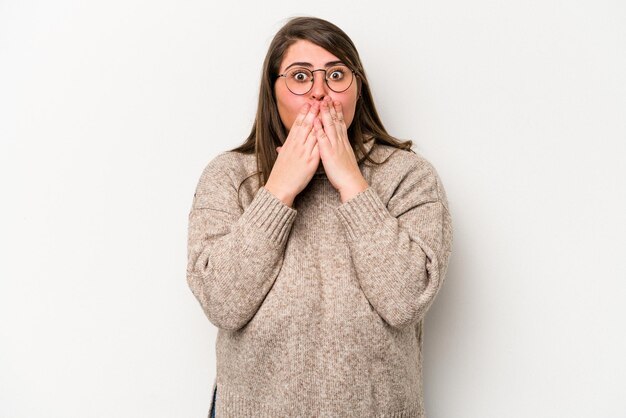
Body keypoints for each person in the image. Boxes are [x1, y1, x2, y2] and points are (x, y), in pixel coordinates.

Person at [187, 16, 453, 418]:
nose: (319, 92)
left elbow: (404, 301)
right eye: (300, 76)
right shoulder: (229, 176)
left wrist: (351, 182)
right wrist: (278, 192)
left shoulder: (409, 176)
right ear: (272, 91)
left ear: (357, 89)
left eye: (336, 74)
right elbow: (222, 302)